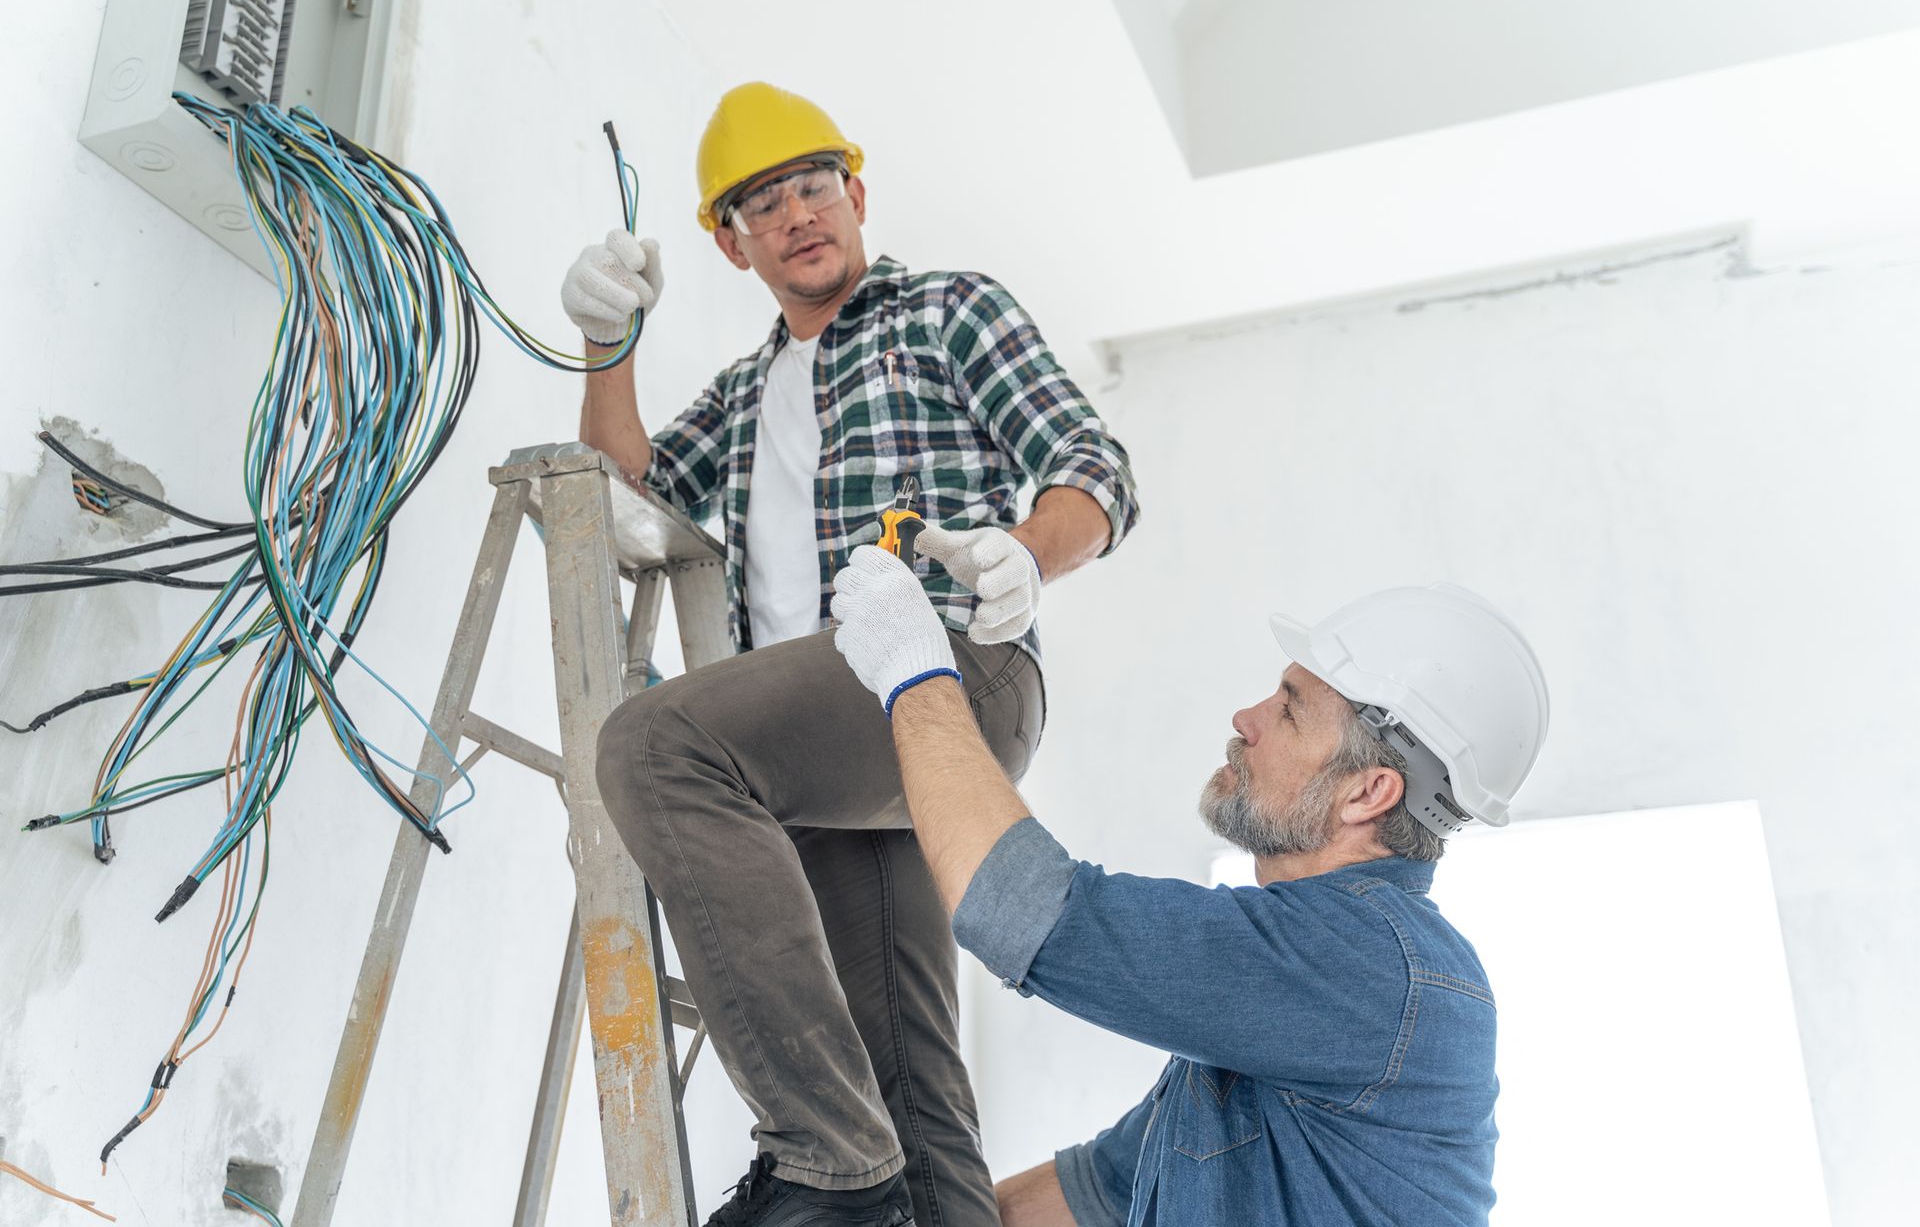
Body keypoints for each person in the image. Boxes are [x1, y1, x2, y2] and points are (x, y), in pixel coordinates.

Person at [563, 82, 1141, 1227]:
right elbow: (618, 489)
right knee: (910, 1083)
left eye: (815, 184)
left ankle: (823, 1156)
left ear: (857, 192)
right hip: (815, 755)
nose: (797, 213)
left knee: (657, 743)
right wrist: (606, 341)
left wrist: (1026, 552)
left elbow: (1095, 465)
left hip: (941, 675)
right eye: (762, 204)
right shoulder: (742, 396)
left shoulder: (945, 312)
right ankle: (876, 1170)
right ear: (730, 244)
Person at [828, 557, 1551, 1227]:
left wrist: (915, 672)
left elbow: (1021, 906)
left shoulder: (1370, 965)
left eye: (1290, 710)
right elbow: (1095, 1196)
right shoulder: (1283, 1014)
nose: (1247, 719)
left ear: (1368, 792)